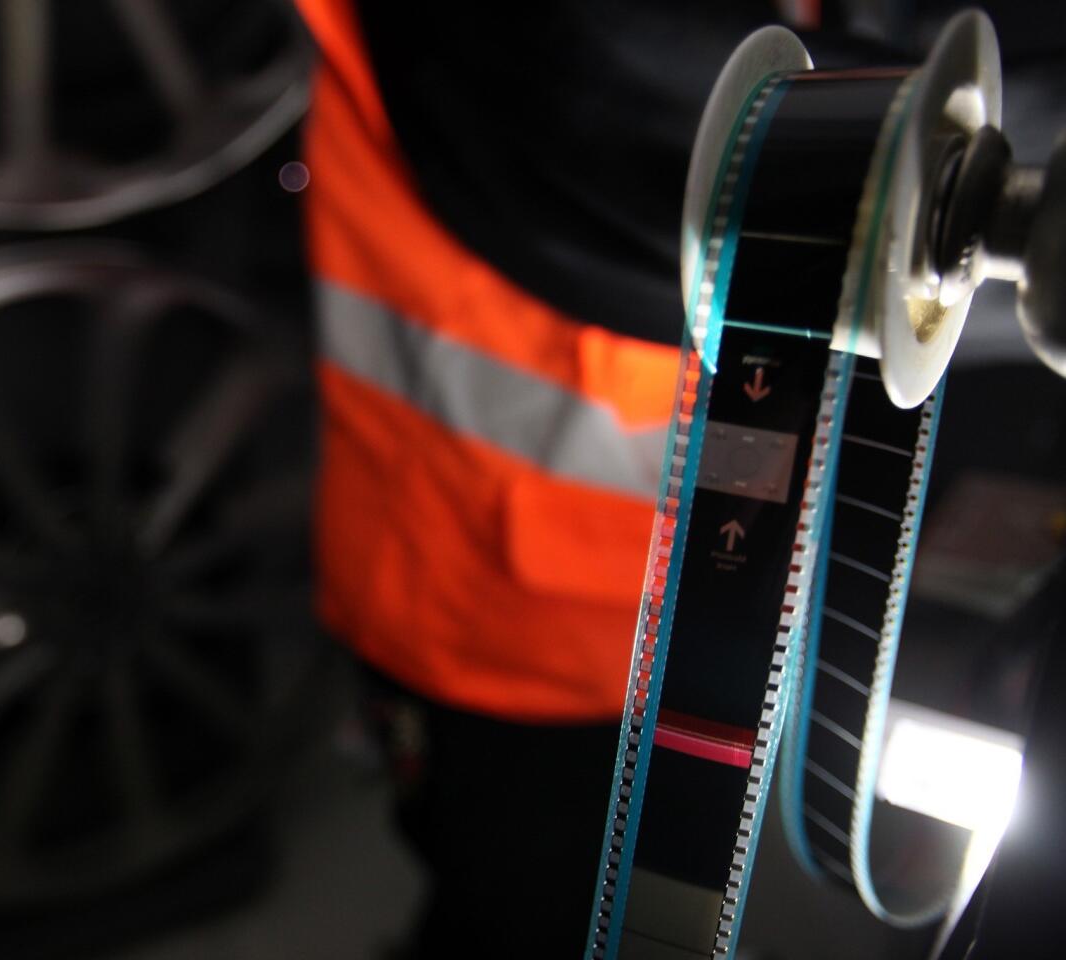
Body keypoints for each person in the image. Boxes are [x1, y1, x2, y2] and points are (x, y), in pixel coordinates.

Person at [290, 1, 967, 955]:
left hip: (673, 593)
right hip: (512, 611)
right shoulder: (561, 55)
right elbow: (693, 121)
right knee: (529, 914)